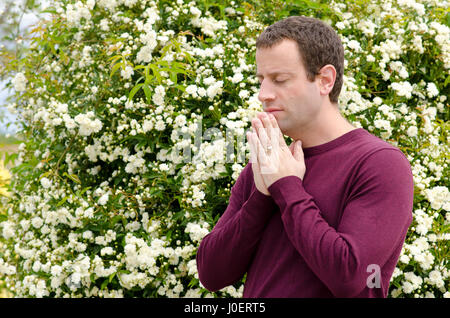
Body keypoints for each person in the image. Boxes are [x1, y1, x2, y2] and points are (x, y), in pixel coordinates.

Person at [196, 16, 414, 298]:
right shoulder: (268, 164)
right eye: (261, 80)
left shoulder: (379, 163)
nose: (263, 94)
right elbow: (212, 274)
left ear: (325, 80)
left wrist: (286, 188)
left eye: (279, 80)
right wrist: (262, 197)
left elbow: (349, 276)